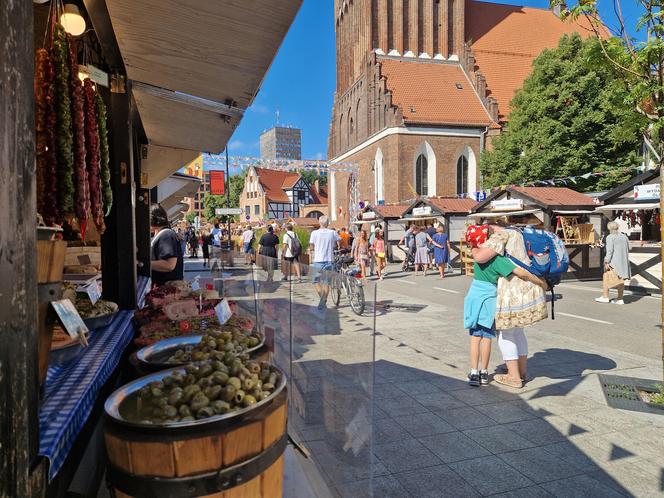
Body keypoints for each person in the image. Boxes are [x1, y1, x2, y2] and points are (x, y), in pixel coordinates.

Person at [464, 225, 548, 387]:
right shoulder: (515, 240)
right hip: (499, 298)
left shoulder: (483, 256)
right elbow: (521, 272)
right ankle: (492, 372)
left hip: (482, 298)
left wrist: (475, 245)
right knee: (506, 334)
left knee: (495, 336)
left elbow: (479, 256)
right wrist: (542, 283)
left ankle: (482, 373)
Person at [309, 216, 341, 310]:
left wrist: (315, 249)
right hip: (329, 260)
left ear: (319, 223)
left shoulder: (314, 233)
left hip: (318, 260)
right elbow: (339, 240)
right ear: (327, 224)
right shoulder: (332, 232)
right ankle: (323, 301)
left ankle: (322, 301)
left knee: (315, 281)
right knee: (326, 283)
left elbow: (311, 247)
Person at [595, 221, 631, 305]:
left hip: (614, 262)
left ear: (609, 228)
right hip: (624, 261)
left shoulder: (610, 237)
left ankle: (605, 296)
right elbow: (630, 247)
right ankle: (620, 299)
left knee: (606, 276)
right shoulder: (624, 236)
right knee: (621, 280)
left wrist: (607, 261)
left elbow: (609, 251)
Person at [150, 204, 184, 287]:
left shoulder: (167, 235)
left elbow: (169, 265)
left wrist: (143, 264)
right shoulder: (163, 234)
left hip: (167, 290)